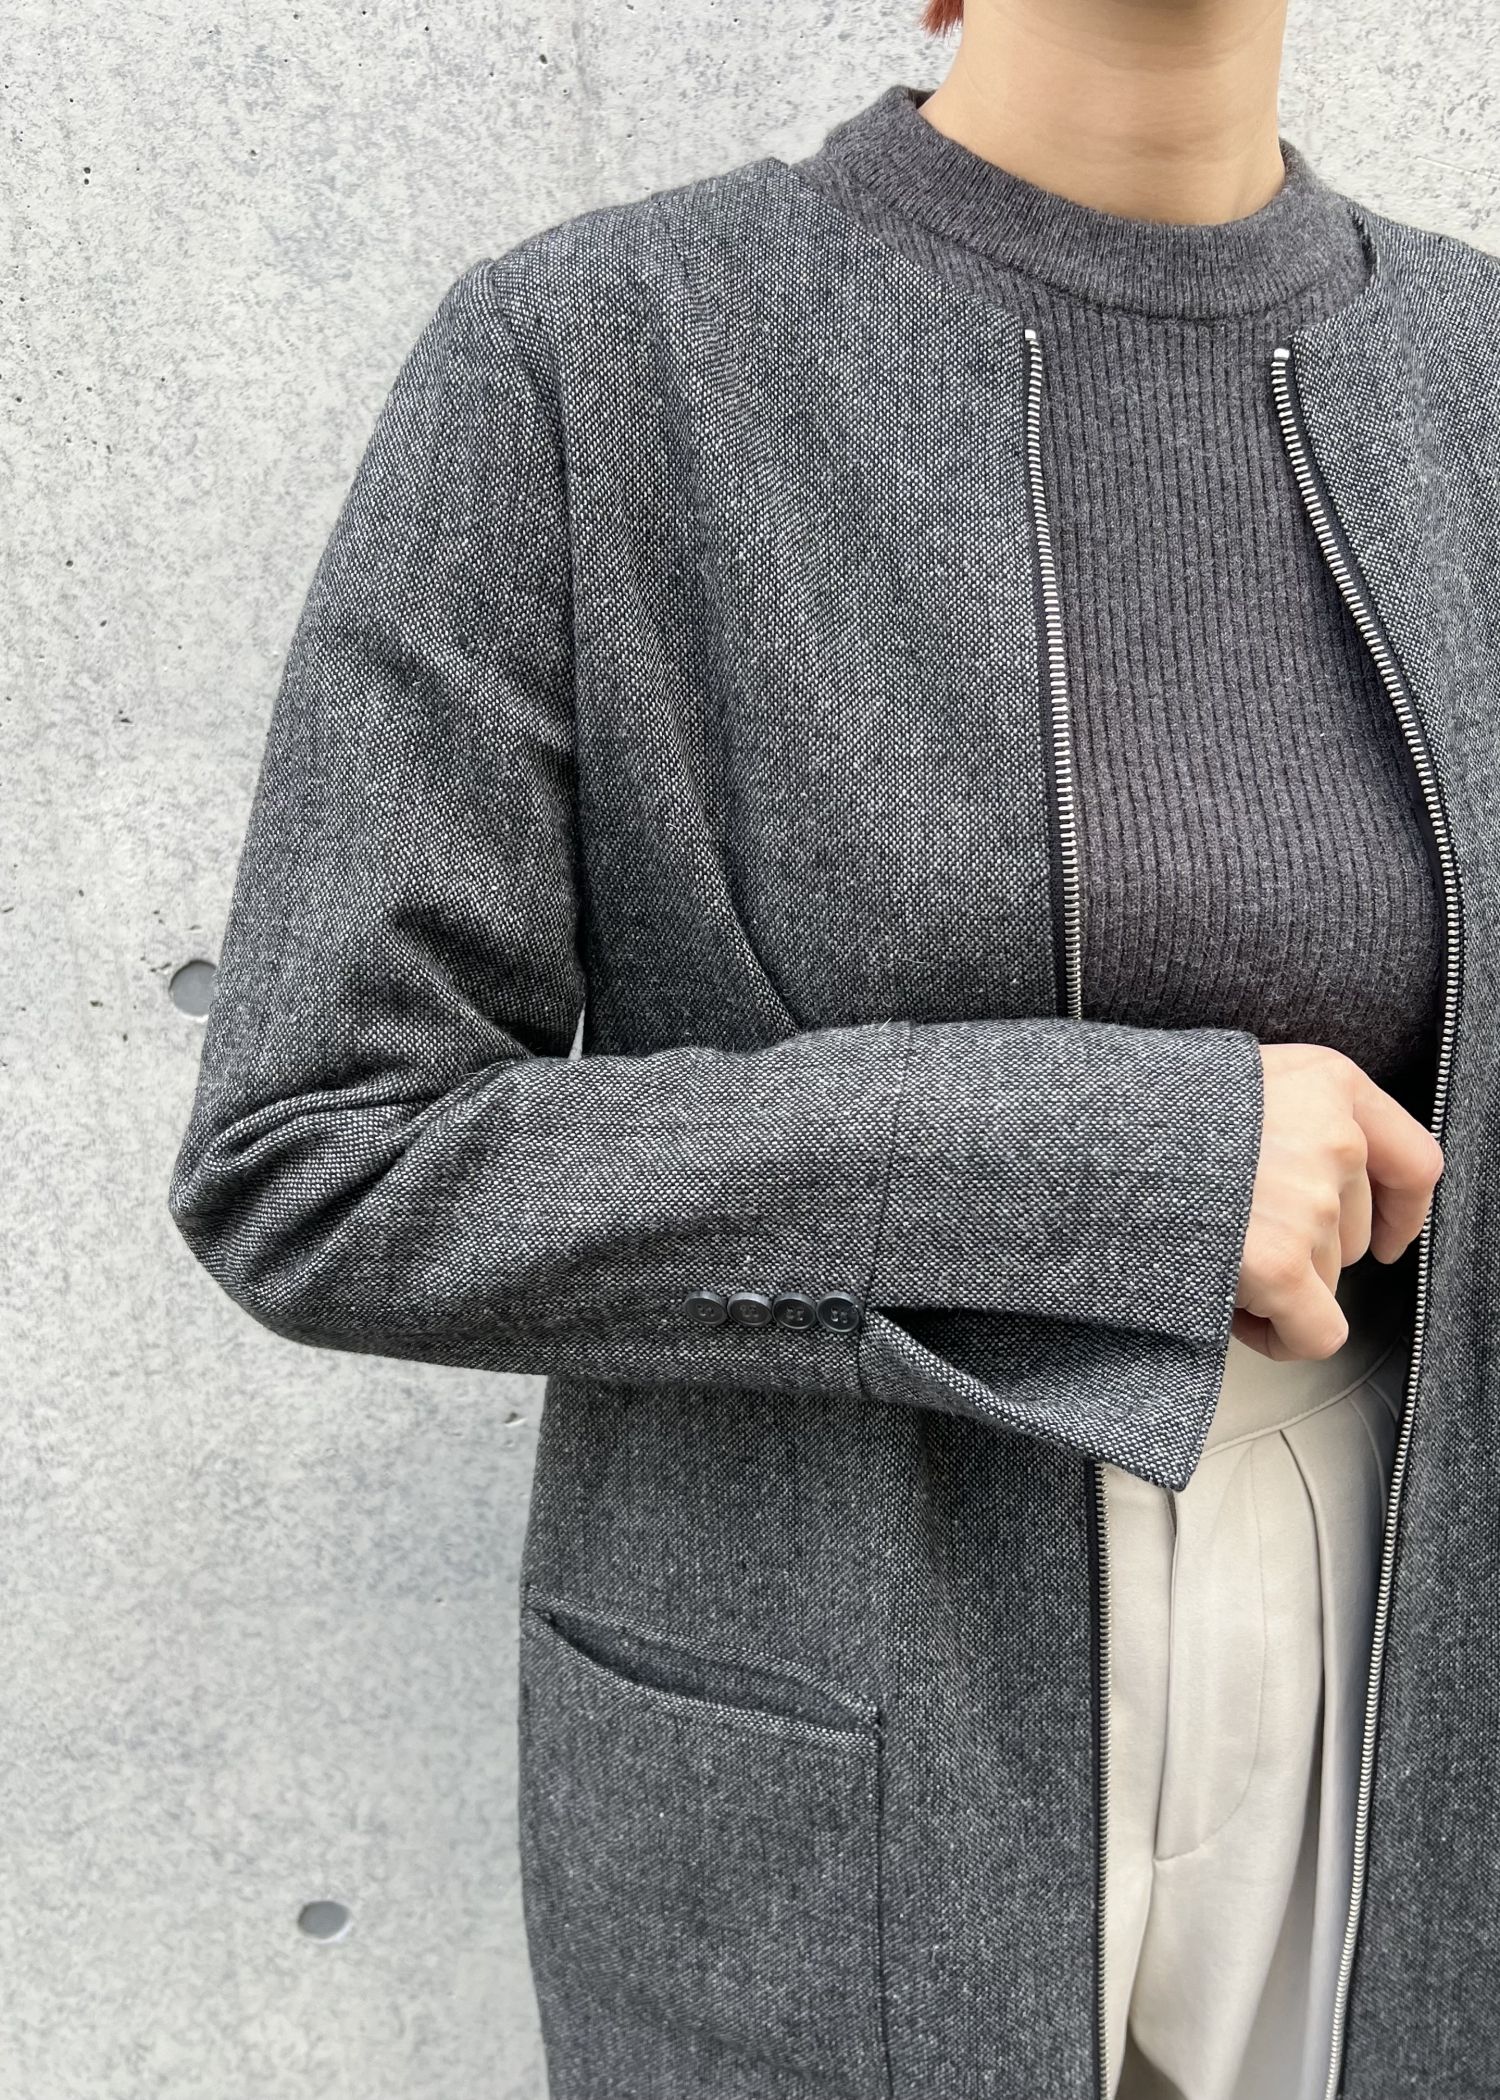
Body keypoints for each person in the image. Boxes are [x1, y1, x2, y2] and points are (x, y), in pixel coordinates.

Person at [167, 1, 1500, 2095]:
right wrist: (1124, 1167)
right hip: (831, 1695)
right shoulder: (594, 358)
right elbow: (320, 1154)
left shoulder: (1476, 376)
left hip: (1410, 1658)